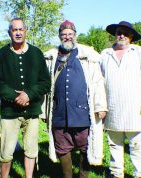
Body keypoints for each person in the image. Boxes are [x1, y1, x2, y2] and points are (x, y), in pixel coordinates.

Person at [0, 18, 51, 178]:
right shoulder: (1, 54)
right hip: (10, 112)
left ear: (25, 31)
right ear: (9, 32)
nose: (17, 32)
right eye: (14, 30)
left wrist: (29, 94)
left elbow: (46, 82)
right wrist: (15, 96)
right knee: (6, 151)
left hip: (32, 111)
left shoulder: (36, 53)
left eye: (20, 29)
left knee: (31, 149)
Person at [44, 20, 107, 178]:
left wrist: (100, 106)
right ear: (59, 36)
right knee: (62, 147)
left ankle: (83, 176)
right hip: (59, 112)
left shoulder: (87, 56)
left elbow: (98, 82)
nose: (67, 37)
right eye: (64, 35)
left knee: (86, 147)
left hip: (82, 112)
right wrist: (44, 111)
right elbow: (45, 86)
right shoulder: (51, 57)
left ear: (75, 35)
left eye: (70, 34)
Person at [100, 21, 141, 178]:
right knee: (114, 144)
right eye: (119, 32)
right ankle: (116, 173)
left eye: (125, 33)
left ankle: (139, 174)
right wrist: (100, 105)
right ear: (115, 34)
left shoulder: (139, 52)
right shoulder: (105, 54)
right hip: (111, 107)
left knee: (136, 144)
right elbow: (97, 80)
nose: (122, 35)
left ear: (131, 36)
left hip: (135, 107)